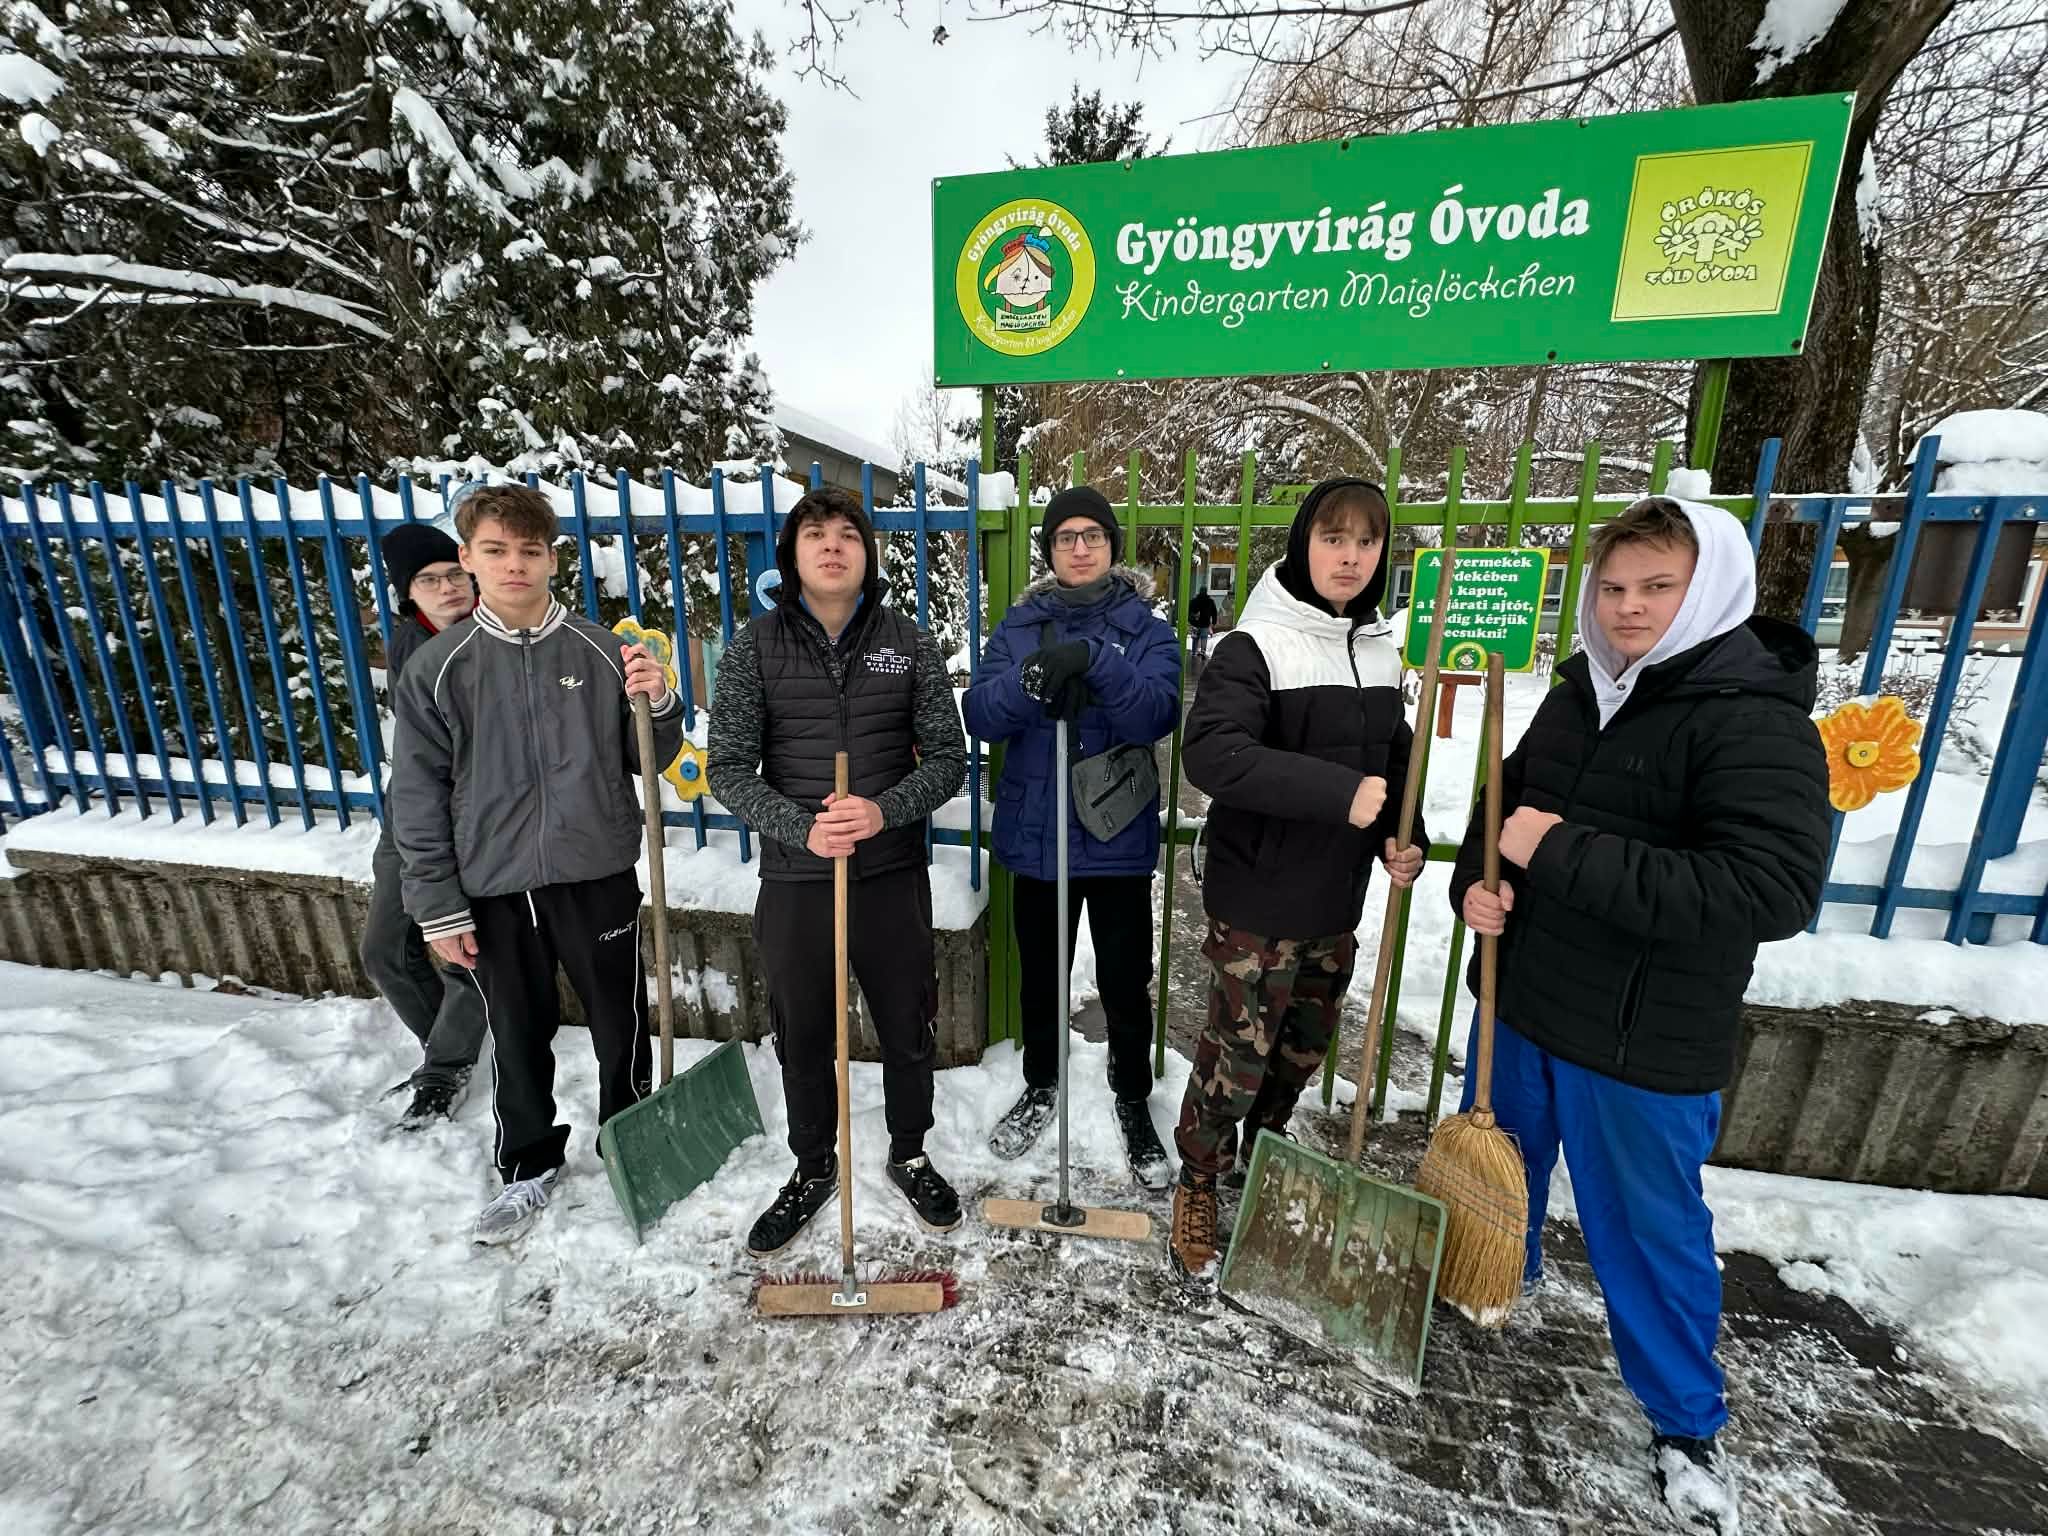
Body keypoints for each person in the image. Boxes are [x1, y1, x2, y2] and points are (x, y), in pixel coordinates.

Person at [1449, 496, 1828, 1534]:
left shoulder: (1752, 719)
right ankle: (1491, 1278)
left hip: (1638, 1036)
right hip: (1524, 1000)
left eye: (1655, 587)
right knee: (1497, 1171)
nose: (1627, 608)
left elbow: (1766, 890)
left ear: (1703, 588)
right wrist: (1476, 888)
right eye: (1612, 588)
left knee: (1644, 1234)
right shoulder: (1575, 696)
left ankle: (1682, 1421)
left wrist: (1553, 851)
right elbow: (1503, 816)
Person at [390, 485, 682, 1246]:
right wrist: (437, 904)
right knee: (517, 1030)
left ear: (551, 557)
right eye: (495, 550)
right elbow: (417, 795)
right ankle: (527, 1163)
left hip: (595, 872)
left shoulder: (598, 648)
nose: (514, 565)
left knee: (621, 1023)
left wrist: (656, 705)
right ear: (468, 559)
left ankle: (629, 1140)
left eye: (529, 550)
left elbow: (648, 755)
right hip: (492, 884)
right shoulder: (437, 668)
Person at [1169, 478, 1426, 1293]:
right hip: (1257, 904)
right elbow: (1211, 753)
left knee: (1301, 1052)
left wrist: (1403, 833)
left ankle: (1266, 1153)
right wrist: (1336, 794)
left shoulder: (1381, 651)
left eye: (1365, 541)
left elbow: (1397, 760)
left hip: (1335, 901)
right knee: (1236, 1056)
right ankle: (1200, 1178)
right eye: (1332, 537)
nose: (1349, 556)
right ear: (1302, 543)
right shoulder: (1258, 644)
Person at [706, 486, 969, 1258]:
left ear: (866, 552)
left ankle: (909, 1152)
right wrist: (803, 827)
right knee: (803, 1032)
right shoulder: (754, 647)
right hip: (796, 879)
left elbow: (949, 760)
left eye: (847, 534)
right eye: (814, 534)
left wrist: (883, 812)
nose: (831, 546)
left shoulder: (909, 643)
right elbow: (727, 768)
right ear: (791, 554)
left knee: (906, 1022)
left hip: (888, 873)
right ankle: (813, 1165)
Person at [963, 486, 1182, 1188]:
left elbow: (1158, 713)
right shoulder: (1019, 626)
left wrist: (1096, 661)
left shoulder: (1145, 629)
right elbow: (979, 714)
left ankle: (1132, 1097)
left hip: (1115, 836)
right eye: (1065, 537)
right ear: (1050, 550)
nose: (1079, 547)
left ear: (1113, 548)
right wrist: (1032, 681)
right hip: (1038, 835)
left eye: (1092, 535)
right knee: (1041, 978)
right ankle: (1040, 1083)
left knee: (1124, 981)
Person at [361, 520, 485, 1129]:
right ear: (408, 594)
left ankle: (444, 1070)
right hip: (411, 816)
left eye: (455, 574)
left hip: (479, 824)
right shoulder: (409, 645)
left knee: (470, 954)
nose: (447, 588)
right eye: (429, 580)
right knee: (385, 949)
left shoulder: (499, 636)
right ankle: (447, 1046)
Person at [1187, 587, 1219, 667]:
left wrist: (1190, 620)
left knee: (1195, 638)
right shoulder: (1210, 601)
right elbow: (1214, 613)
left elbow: (1189, 611)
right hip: (1205, 623)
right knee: (1204, 638)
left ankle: (1194, 652)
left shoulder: (1194, 601)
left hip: (1195, 623)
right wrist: (1214, 622)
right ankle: (1203, 652)